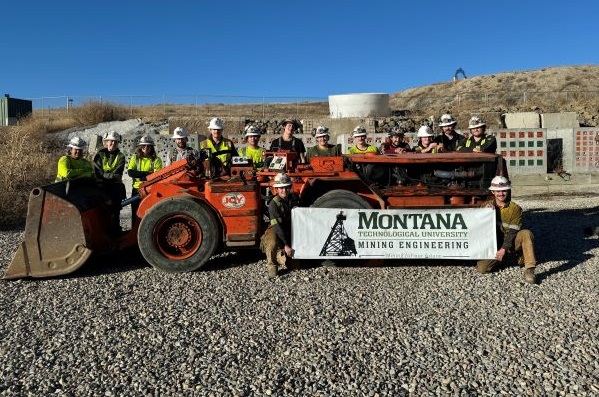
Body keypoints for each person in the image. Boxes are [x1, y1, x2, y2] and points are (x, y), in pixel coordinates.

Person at [476, 176, 537, 284]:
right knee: (482, 268)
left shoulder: (515, 209)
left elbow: (513, 232)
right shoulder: (485, 206)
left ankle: (530, 269)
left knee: (526, 234)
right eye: (498, 191)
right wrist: (485, 213)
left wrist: (503, 249)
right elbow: (477, 226)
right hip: (494, 244)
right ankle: (502, 260)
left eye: (504, 190)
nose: (501, 194)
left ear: (508, 191)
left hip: (511, 241)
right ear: (493, 192)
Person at [261, 173, 299, 278]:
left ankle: (283, 257)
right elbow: (277, 227)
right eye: (281, 188)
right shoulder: (273, 204)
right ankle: (272, 265)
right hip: (277, 227)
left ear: (290, 188)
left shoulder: (295, 199)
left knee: (295, 266)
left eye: (286, 188)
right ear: (277, 189)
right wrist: (286, 245)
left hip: (290, 226)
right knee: (272, 242)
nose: (284, 191)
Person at [93, 130, 127, 233]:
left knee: (116, 211)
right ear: (106, 142)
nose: (112, 143)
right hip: (102, 188)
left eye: (115, 142)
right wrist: (108, 175)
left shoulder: (121, 156)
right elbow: (97, 172)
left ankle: (116, 231)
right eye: (110, 141)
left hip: (116, 188)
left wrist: (104, 174)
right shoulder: (100, 154)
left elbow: (118, 173)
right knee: (102, 211)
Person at [127, 135, 163, 224]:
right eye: (144, 146)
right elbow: (131, 172)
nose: (146, 148)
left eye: (148, 146)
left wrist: (140, 175)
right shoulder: (135, 158)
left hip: (150, 190)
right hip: (137, 189)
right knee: (135, 214)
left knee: (149, 214)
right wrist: (146, 174)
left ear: (152, 148)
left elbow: (156, 177)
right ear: (140, 147)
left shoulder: (156, 160)